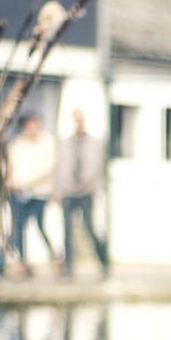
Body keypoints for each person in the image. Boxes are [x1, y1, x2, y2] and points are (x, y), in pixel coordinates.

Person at [4, 113, 59, 278]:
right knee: (19, 228)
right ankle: (22, 263)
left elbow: (47, 170)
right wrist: (10, 180)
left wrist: (25, 183)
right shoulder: (17, 144)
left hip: (39, 193)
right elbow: (9, 165)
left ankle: (55, 259)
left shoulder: (47, 144)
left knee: (41, 227)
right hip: (18, 193)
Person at [57, 109, 108, 279]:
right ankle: (69, 269)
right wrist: (59, 190)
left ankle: (104, 262)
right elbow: (59, 168)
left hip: (86, 192)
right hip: (68, 191)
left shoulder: (95, 143)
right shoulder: (65, 143)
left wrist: (91, 187)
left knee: (89, 228)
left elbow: (98, 168)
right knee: (67, 231)